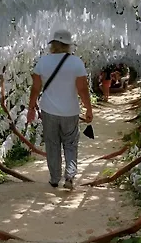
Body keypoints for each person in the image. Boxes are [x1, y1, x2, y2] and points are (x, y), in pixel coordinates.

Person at [27, 30, 93, 190]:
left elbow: (35, 88)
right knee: (70, 144)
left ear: (53, 44)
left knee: (52, 144)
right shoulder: (76, 62)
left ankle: (55, 178)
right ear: (69, 45)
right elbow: (82, 89)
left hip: (49, 110)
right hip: (70, 111)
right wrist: (88, 109)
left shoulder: (43, 62)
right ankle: (70, 175)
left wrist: (31, 108)